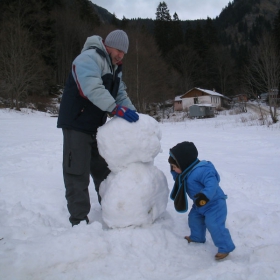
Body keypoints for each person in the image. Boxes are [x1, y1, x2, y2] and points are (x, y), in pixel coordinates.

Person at [57, 30, 139, 226]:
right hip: (76, 124)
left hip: (97, 128)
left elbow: (120, 94)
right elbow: (91, 88)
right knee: (77, 172)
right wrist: (115, 109)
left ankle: (112, 208)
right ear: (108, 45)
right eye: (118, 50)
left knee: (103, 171)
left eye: (124, 52)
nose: (121, 55)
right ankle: (78, 220)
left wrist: (136, 115)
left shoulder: (115, 68)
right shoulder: (88, 58)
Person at [168, 141, 235, 260]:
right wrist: (174, 171)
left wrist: (204, 196)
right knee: (194, 219)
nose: (173, 169)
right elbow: (178, 179)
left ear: (183, 163)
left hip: (214, 203)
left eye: (174, 166)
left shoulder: (202, 170)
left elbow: (212, 183)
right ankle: (197, 237)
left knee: (214, 224)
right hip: (199, 204)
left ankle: (225, 247)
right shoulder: (185, 173)